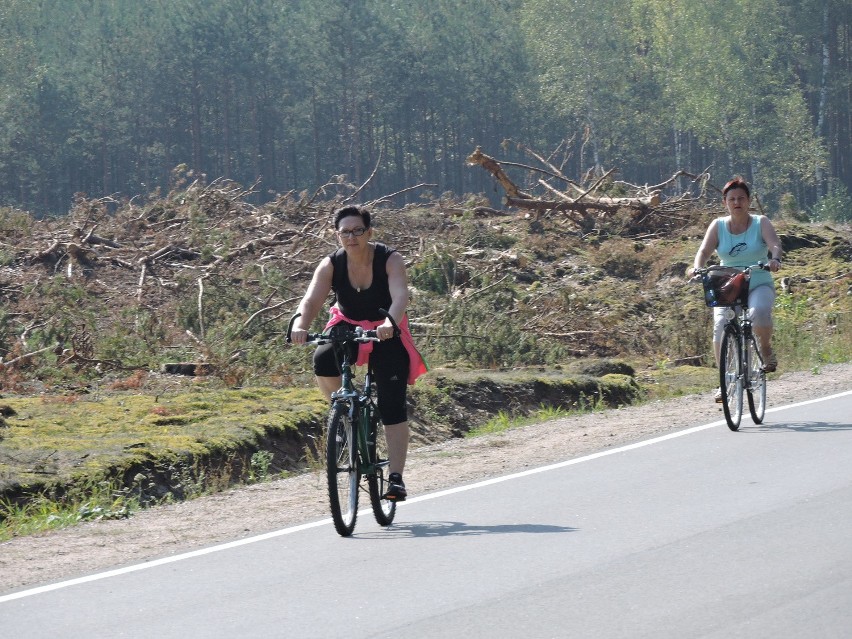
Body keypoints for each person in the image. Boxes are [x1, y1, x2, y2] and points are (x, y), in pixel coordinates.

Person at [290, 205, 426, 500]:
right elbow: (311, 300)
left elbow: (400, 294)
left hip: (385, 330)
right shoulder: (331, 264)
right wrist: (300, 325)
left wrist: (390, 321)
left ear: (369, 232)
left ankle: (396, 479)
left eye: (358, 231)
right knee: (323, 359)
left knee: (392, 404)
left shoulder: (390, 259)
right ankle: (342, 415)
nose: (351, 237)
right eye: (345, 232)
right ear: (337, 235)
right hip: (347, 326)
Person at [692, 177, 783, 402]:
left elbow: (774, 244)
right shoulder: (718, 225)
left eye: (741, 198)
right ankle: (725, 382)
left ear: (749, 201)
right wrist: (696, 268)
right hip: (729, 284)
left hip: (758, 281)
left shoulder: (761, 222)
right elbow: (703, 252)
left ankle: (766, 348)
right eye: (732, 199)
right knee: (720, 328)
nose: (737, 202)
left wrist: (775, 259)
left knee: (759, 314)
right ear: (725, 203)